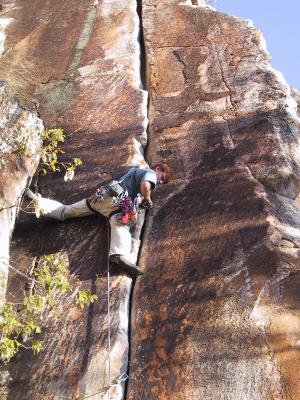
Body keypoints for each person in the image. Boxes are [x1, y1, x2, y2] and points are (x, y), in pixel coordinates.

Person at [26, 163, 171, 278]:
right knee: (121, 226)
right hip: (116, 203)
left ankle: (37, 202)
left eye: (162, 182)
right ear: (158, 168)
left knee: (67, 211)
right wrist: (148, 199)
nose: (159, 182)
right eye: (162, 177)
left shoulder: (134, 172)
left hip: (101, 199)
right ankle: (119, 254)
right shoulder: (149, 173)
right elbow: (146, 185)